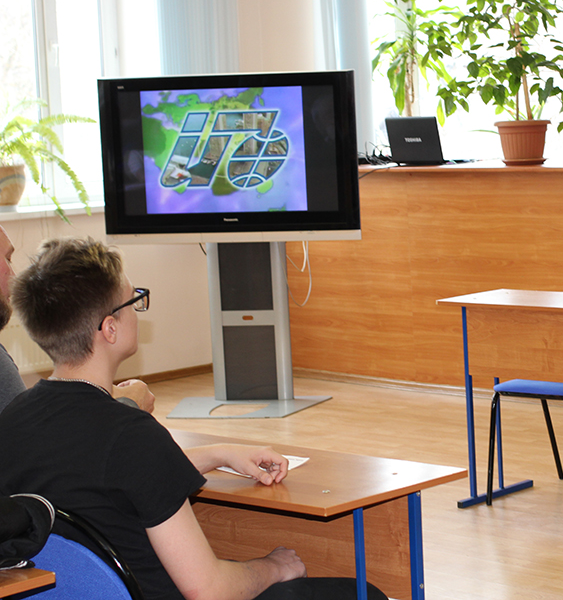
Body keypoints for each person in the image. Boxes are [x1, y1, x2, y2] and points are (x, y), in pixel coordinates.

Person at [0, 237, 386, 600]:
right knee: (364, 593)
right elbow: (208, 589)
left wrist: (219, 453)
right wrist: (274, 566)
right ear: (110, 328)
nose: (138, 310)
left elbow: (99, 474)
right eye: (133, 301)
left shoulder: (13, 419)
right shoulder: (130, 433)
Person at [0, 225, 154, 413]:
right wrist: (130, 406)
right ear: (110, 328)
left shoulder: (21, 413)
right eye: (7, 259)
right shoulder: (137, 429)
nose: (13, 274)